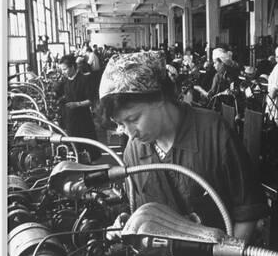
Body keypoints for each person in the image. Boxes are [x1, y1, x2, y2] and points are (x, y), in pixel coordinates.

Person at [98, 50, 266, 243]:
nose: (130, 133)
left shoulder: (214, 132)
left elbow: (248, 211)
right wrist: (129, 222)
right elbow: (139, 209)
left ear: (159, 98)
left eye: (133, 119)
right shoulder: (134, 151)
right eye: (120, 124)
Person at [57, 54, 101, 162]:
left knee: (86, 148)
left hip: (83, 120)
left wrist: (77, 104)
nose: (63, 72)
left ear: (72, 67)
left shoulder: (84, 79)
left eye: (65, 69)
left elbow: (91, 100)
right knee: (74, 148)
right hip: (70, 120)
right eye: (61, 69)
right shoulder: (66, 80)